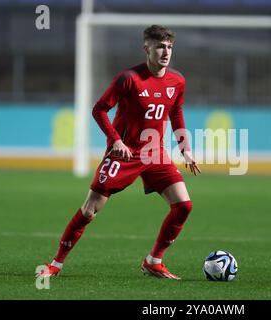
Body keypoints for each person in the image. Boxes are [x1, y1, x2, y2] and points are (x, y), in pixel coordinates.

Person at [37, 25, 200, 280]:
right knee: (90, 210)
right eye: (160, 46)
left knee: (184, 206)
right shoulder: (129, 79)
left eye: (169, 47)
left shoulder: (177, 81)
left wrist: (185, 148)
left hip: (154, 153)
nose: (165, 52)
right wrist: (115, 141)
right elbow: (99, 109)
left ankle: (153, 261)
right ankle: (56, 264)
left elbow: (175, 112)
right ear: (147, 49)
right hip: (124, 154)